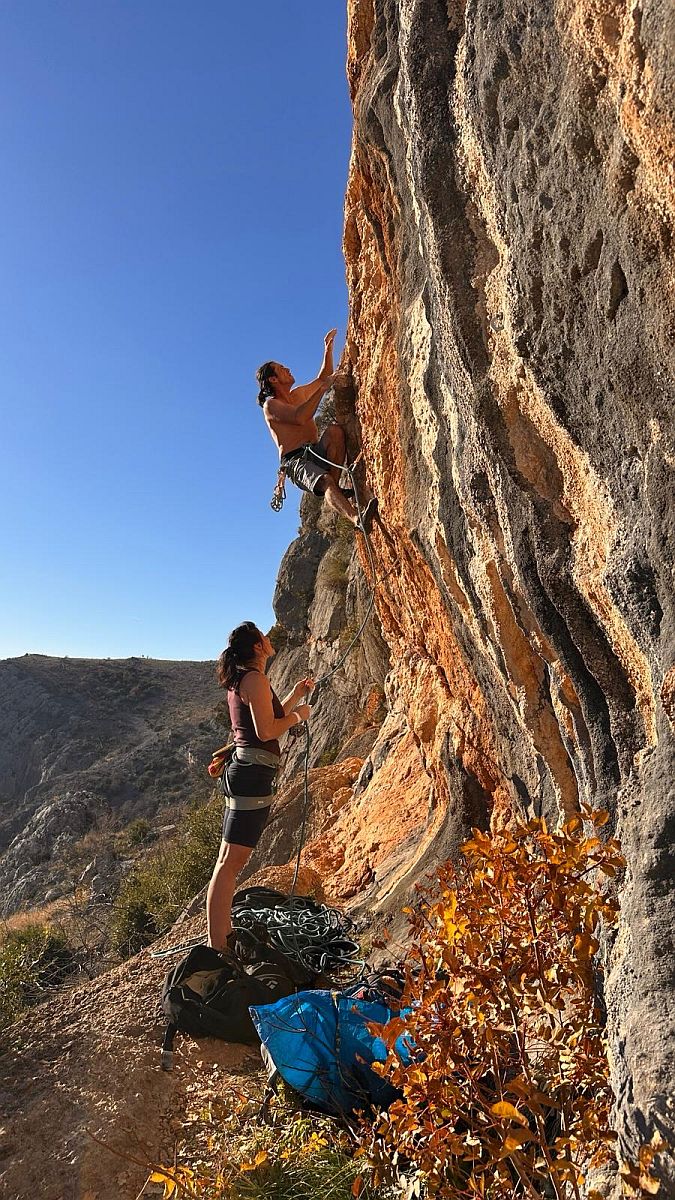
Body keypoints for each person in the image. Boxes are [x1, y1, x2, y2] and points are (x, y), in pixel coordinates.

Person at [206, 621, 313, 952]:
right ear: (257, 647)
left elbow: (263, 719)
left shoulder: (245, 680)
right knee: (229, 865)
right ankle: (218, 945)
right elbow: (267, 730)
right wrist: (300, 716)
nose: (269, 639)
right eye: (264, 638)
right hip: (251, 775)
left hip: (246, 773)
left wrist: (296, 695)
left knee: (227, 860)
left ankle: (222, 937)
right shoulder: (255, 679)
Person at [257, 328, 377, 531]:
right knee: (325, 481)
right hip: (296, 461)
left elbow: (323, 377)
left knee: (335, 432)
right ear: (273, 380)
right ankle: (358, 519)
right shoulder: (271, 405)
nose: (287, 368)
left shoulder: (298, 395)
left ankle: (336, 488)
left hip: (314, 450)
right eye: (281, 368)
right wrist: (322, 390)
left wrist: (327, 350)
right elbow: (300, 417)